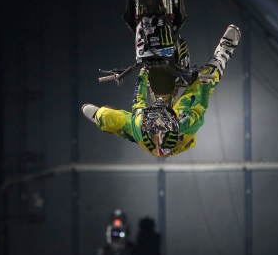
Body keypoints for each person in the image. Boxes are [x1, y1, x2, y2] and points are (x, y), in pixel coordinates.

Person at [81, 24, 241, 157]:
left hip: (147, 139)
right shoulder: (185, 123)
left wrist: (143, 72)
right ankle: (224, 51)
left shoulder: (138, 125)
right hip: (183, 141)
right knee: (204, 81)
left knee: (108, 117)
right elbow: (200, 106)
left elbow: (138, 100)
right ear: (173, 122)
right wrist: (204, 86)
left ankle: (98, 118)